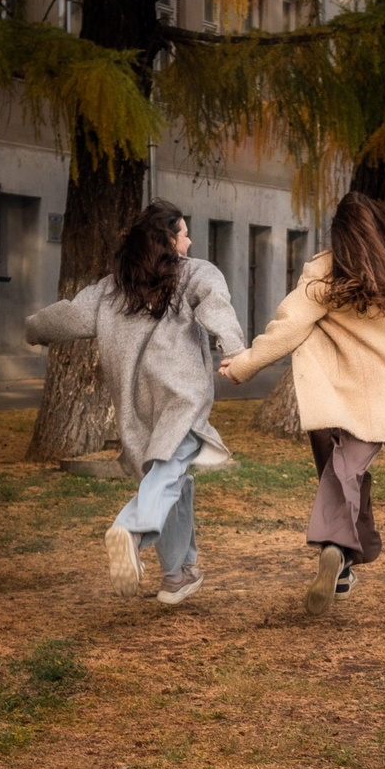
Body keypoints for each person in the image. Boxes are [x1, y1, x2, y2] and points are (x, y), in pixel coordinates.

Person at [220, 192, 385, 614]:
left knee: (339, 473)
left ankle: (342, 563)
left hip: (329, 398)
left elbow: (287, 328)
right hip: (381, 399)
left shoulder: (323, 274)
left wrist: (243, 365)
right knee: (348, 474)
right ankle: (337, 549)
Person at [24, 201, 247, 605]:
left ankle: (179, 574)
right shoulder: (196, 271)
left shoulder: (112, 288)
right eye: (184, 233)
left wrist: (33, 329)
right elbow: (217, 304)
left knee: (174, 476)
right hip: (181, 393)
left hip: (134, 398)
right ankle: (131, 528)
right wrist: (235, 350)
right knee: (168, 470)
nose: (190, 240)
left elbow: (69, 315)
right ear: (170, 241)